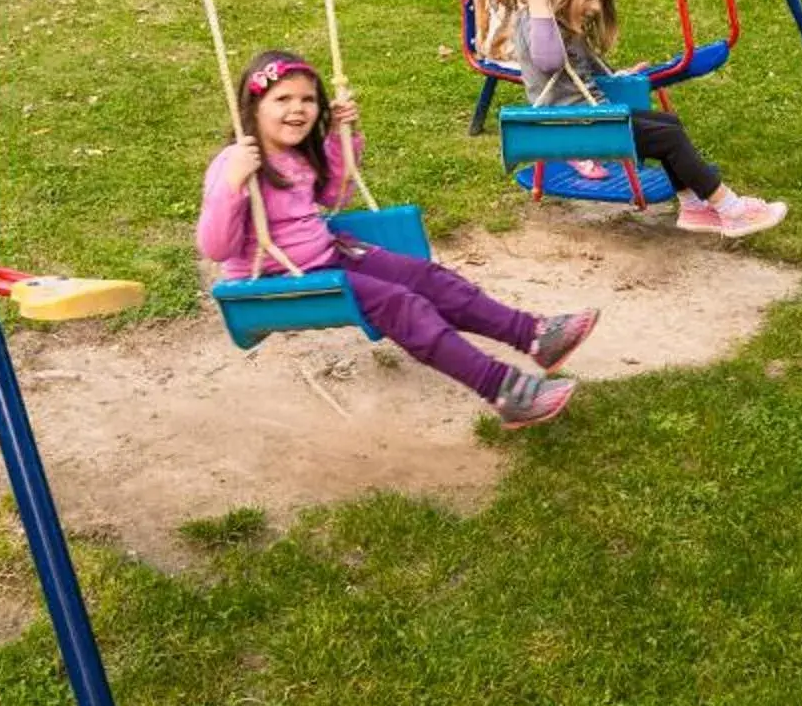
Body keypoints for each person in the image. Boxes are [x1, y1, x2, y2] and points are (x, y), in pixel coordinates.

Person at [199, 49, 596, 428]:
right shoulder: (234, 164)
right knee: (403, 306)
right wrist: (233, 182)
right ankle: (505, 391)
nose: (298, 108)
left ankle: (534, 335)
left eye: (307, 99)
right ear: (253, 108)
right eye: (282, 98)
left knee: (429, 279)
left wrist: (339, 138)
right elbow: (216, 248)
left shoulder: (297, 154)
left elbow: (332, 195)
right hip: (277, 281)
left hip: (326, 258)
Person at [520, 0, 787, 237]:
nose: (596, 8)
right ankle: (732, 209)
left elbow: (584, 73)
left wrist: (616, 75)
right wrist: (539, 8)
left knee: (668, 124)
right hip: (568, 127)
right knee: (667, 137)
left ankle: (693, 206)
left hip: (592, 118)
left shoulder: (565, 25)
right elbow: (548, 60)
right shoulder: (535, 21)